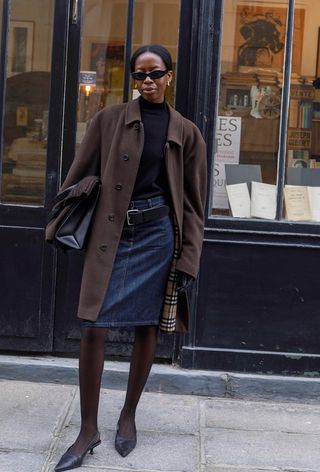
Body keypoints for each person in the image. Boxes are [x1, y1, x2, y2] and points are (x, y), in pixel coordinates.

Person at [50, 44, 207, 471]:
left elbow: (193, 204)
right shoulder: (108, 120)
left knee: (146, 325)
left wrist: (188, 256)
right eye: (139, 76)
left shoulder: (187, 132)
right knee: (92, 327)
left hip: (159, 236)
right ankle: (87, 430)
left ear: (170, 76)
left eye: (155, 74)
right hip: (111, 235)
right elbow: (77, 175)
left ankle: (128, 415)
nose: (147, 82)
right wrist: (71, 208)